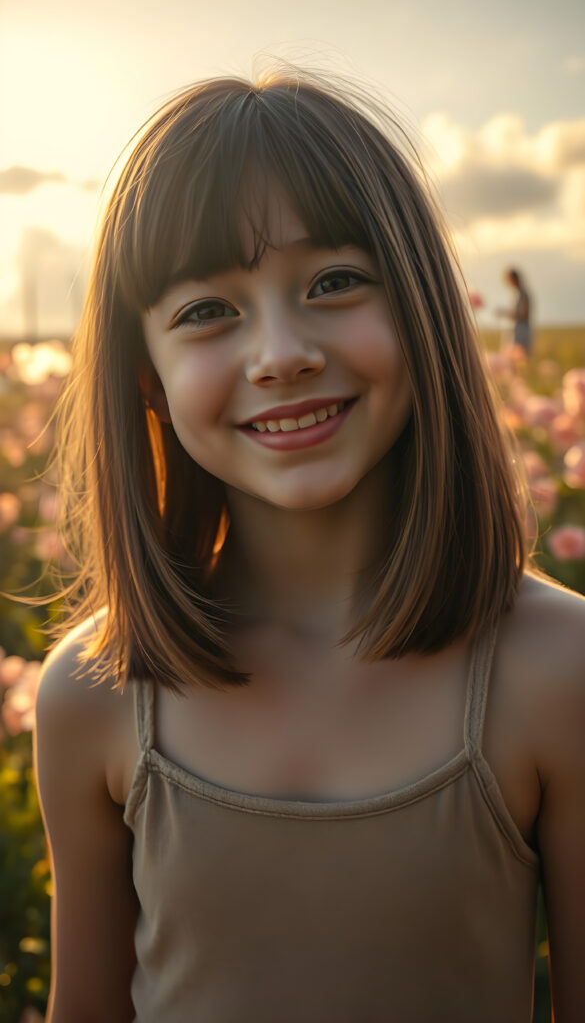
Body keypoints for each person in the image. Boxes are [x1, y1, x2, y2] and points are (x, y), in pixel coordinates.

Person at [33, 69, 585, 1023]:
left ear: (422, 310)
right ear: (147, 379)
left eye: (334, 282)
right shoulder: (94, 692)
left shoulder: (555, 669)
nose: (280, 352)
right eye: (206, 310)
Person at [498, 266, 533, 354]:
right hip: (518, 329)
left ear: (514, 279)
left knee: (519, 355)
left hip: (522, 330)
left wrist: (506, 314)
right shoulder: (518, 293)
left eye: (509, 279)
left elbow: (523, 314)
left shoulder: (523, 294)